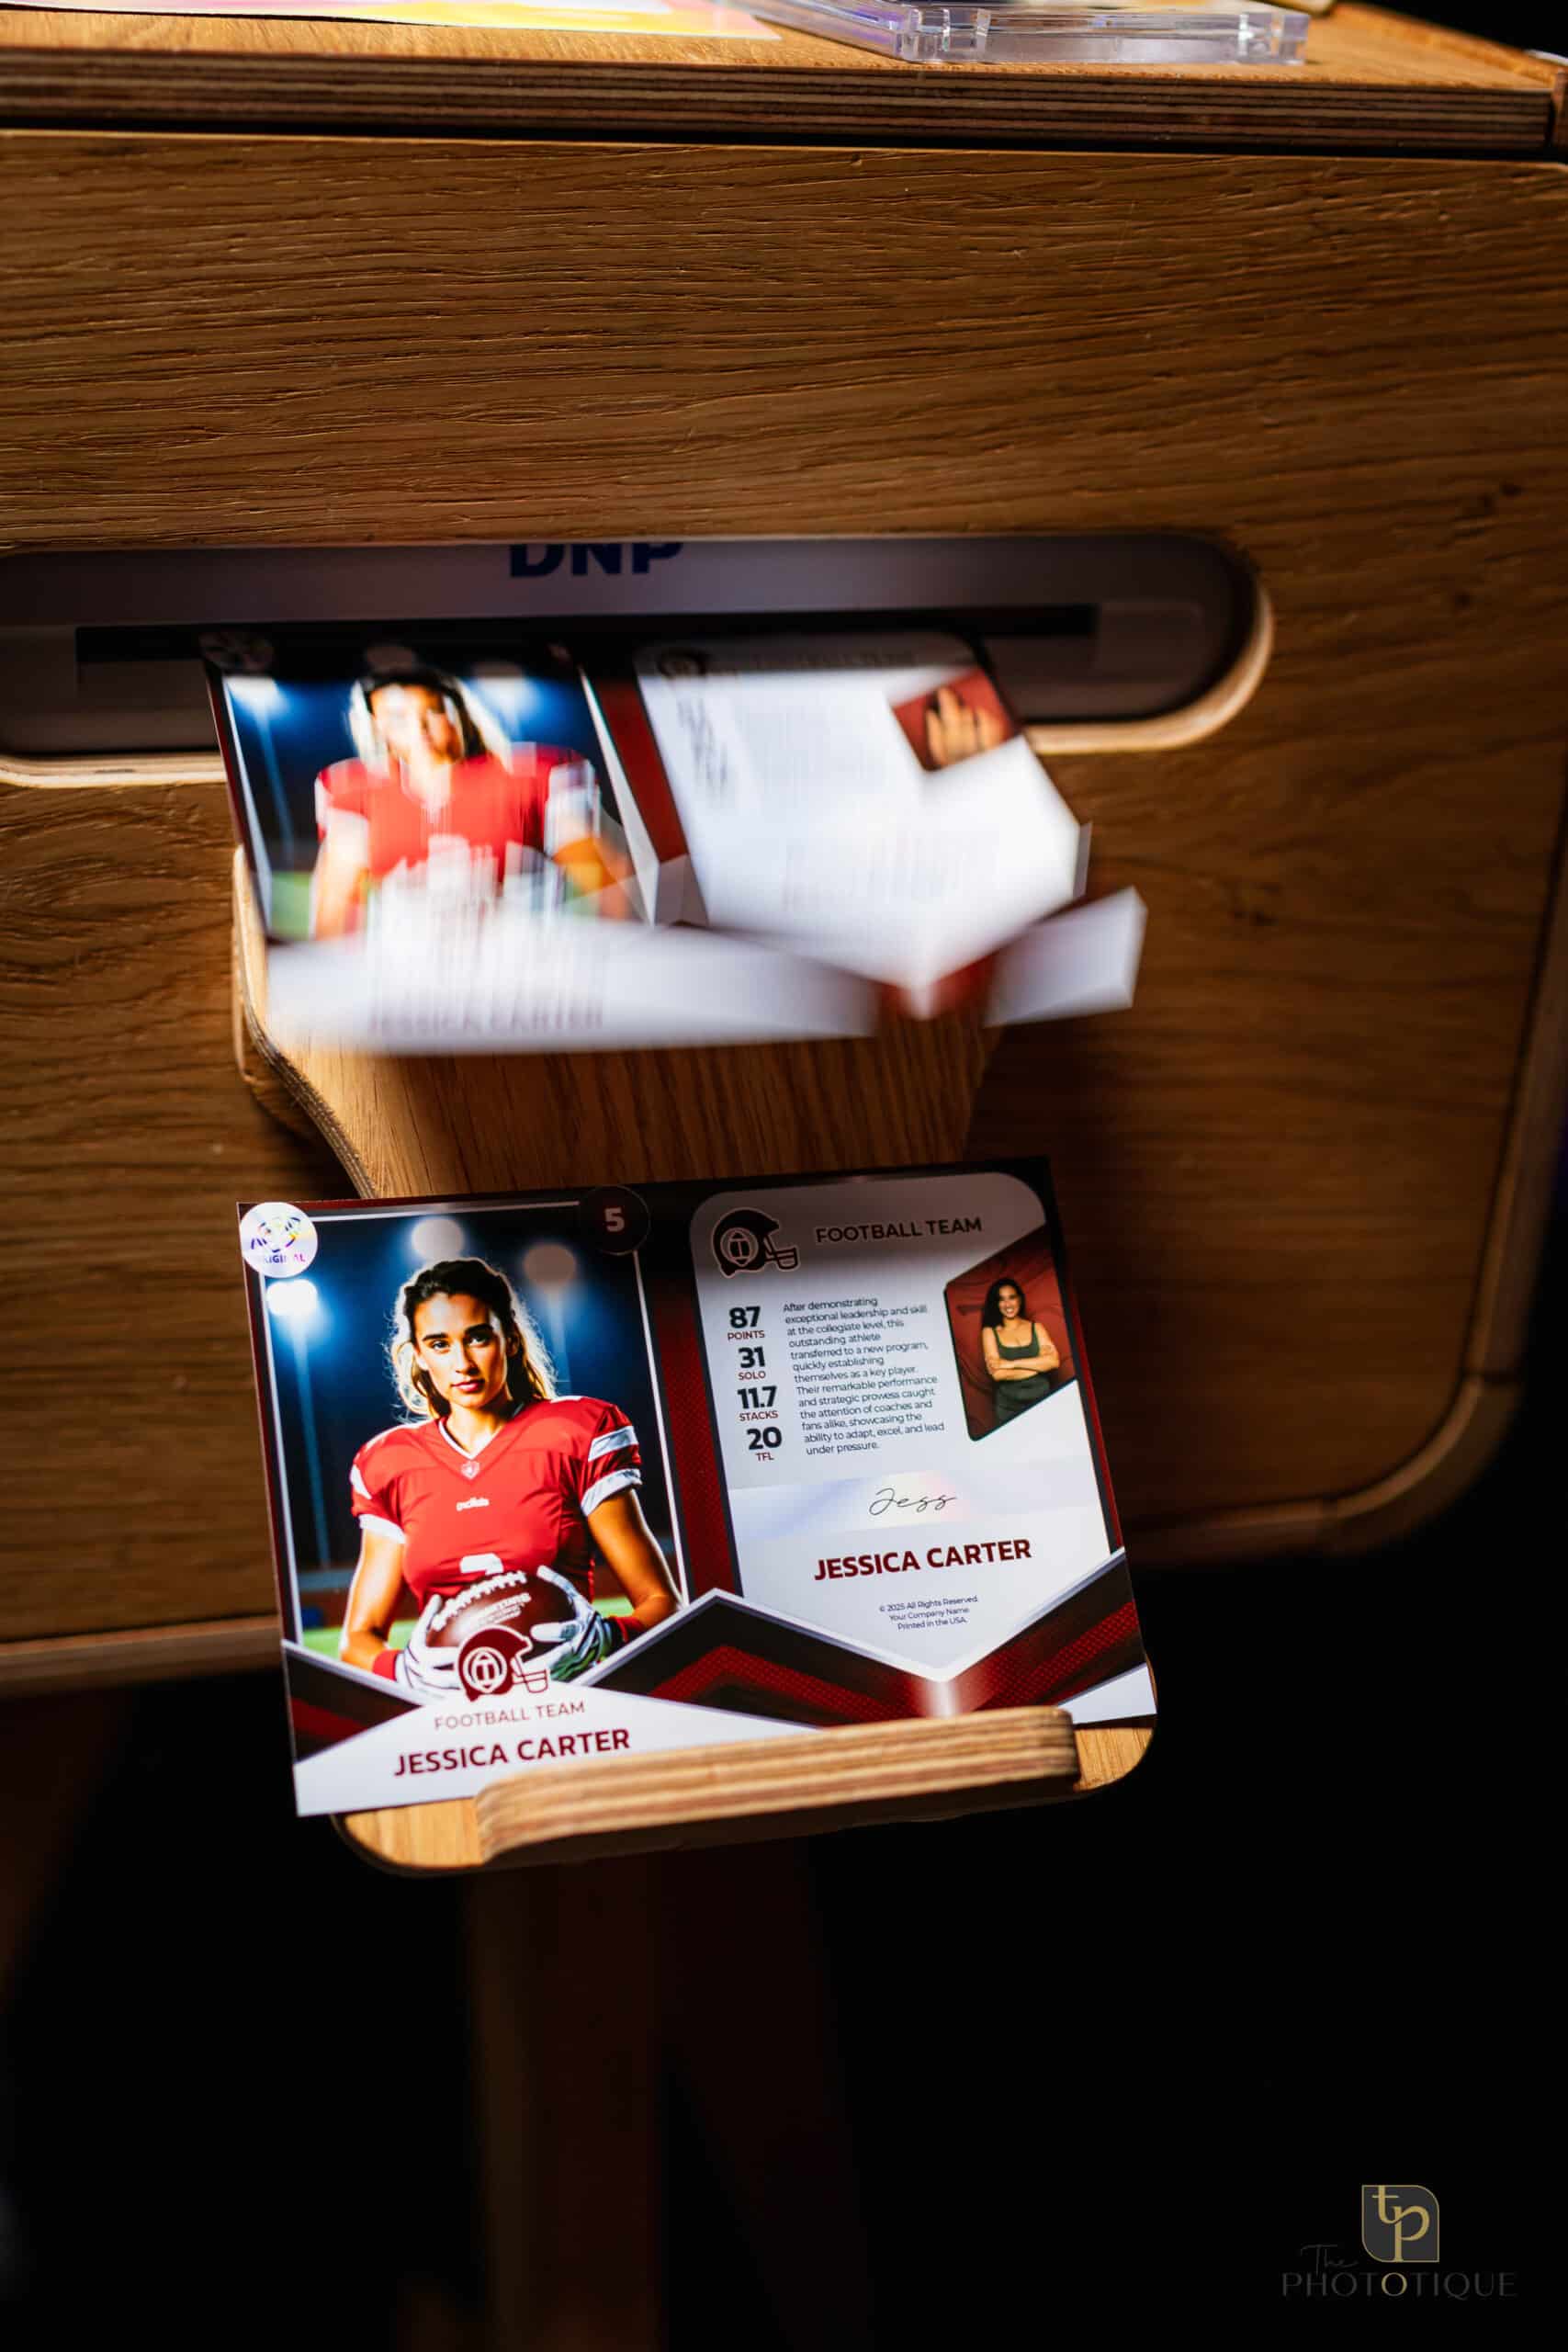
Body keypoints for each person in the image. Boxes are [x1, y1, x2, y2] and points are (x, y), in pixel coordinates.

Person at [339, 1256, 678, 1698]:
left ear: (511, 1340)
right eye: (439, 1344)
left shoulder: (575, 1431)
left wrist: (608, 1639)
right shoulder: (389, 1461)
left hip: (571, 1697)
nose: (462, 1362)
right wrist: (404, 1671)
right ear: (418, 1355)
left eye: (478, 1337)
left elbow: (662, 1603)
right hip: (452, 1711)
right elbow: (358, 1639)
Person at [310, 665, 628, 937]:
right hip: (408, 981)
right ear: (376, 724)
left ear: (458, 710)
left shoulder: (534, 778)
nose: (419, 728)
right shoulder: (354, 791)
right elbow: (336, 904)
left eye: (432, 709)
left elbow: (606, 881)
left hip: (518, 975)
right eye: (398, 717)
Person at [979, 1277, 1061, 1425]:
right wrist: (1039, 1366)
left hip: (1043, 1402)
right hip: (1009, 1409)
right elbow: (998, 1374)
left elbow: (1054, 1362)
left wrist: (1010, 1364)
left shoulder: (1037, 1328)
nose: (1008, 1304)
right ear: (996, 1303)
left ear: (1020, 1300)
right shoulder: (989, 1332)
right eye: (1001, 1299)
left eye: (1012, 1297)